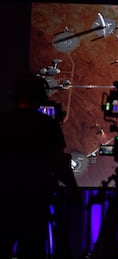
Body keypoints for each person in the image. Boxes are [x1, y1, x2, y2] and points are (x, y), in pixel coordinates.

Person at [0, 73, 78, 259]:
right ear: (42, 96)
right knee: (32, 249)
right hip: (35, 199)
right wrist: (73, 189)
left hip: (4, 198)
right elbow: (58, 163)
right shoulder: (47, 125)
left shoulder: (2, 121)